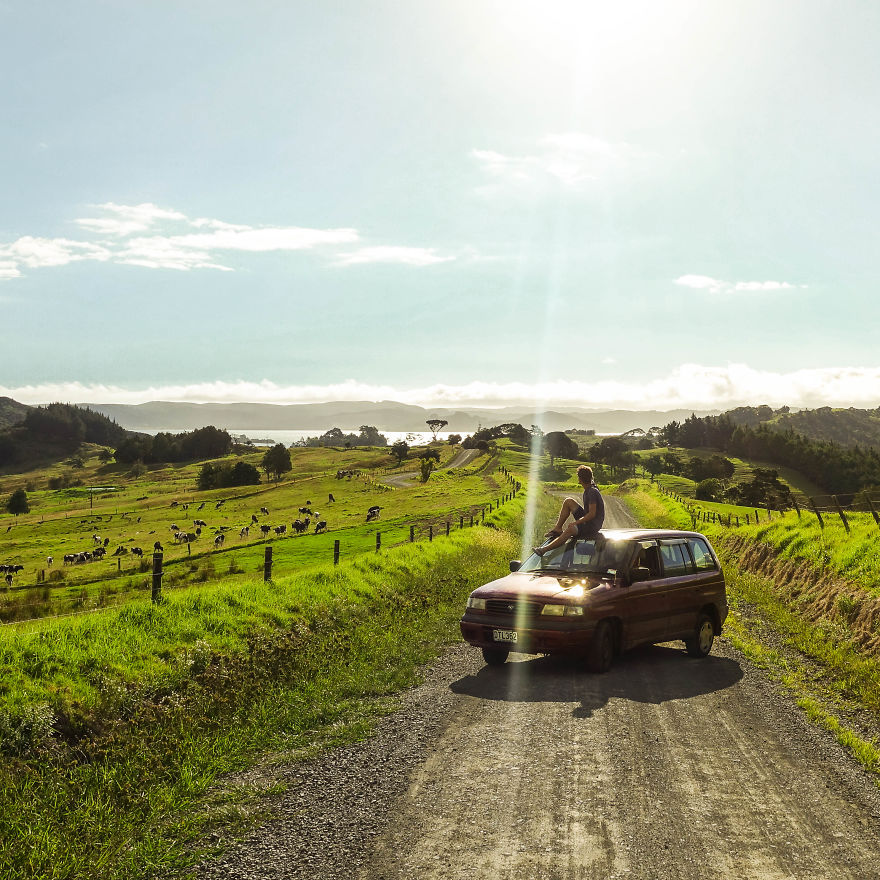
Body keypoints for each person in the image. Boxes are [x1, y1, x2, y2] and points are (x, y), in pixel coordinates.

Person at [534, 464, 605, 556]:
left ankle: (543, 550)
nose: (578, 479)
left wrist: (576, 523)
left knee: (571, 529)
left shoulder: (592, 491)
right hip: (588, 522)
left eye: (578, 477)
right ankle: (558, 528)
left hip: (592, 526)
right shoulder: (588, 490)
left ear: (581, 478)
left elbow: (592, 514)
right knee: (568, 501)